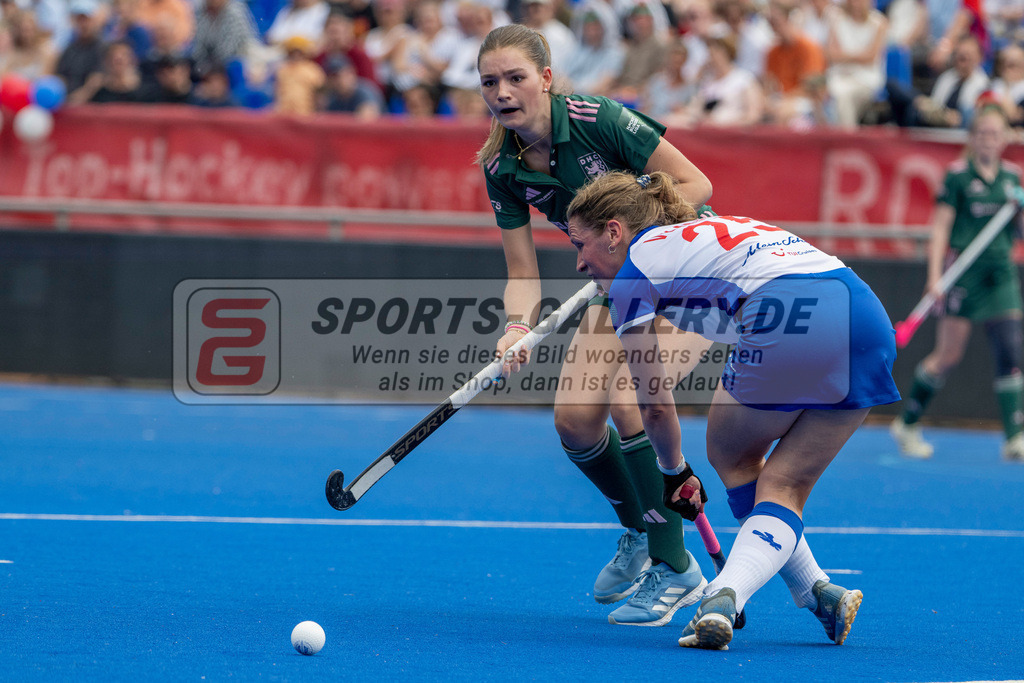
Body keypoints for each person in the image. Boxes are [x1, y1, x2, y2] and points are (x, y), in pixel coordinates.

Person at [564, 169, 900, 649]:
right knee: (783, 485)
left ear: (614, 232)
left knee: (731, 456)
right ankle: (817, 591)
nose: (580, 263)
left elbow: (653, 406)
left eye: (581, 245)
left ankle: (723, 594)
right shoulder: (696, 232)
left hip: (786, 313)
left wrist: (673, 471)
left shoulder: (632, 278)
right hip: (865, 316)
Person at [477, 24, 715, 627]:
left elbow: (698, 185)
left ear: (545, 78)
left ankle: (675, 567)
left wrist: (635, 230)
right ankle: (641, 529)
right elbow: (522, 271)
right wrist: (516, 327)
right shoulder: (501, 166)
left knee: (632, 401)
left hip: (686, 272)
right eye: (489, 82)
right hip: (617, 284)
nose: (502, 92)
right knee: (576, 422)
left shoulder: (600, 119)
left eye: (515, 78)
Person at [890, 105, 1024, 462]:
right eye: (982, 133)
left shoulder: (1012, 177)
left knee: (1011, 349)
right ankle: (907, 423)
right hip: (964, 273)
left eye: (995, 134)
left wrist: (1021, 209)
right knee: (948, 356)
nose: (989, 140)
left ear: (1005, 138)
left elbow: (1020, 232)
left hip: (1001, 273)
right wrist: (935, 277)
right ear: (972, 138)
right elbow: (941, 228)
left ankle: (1015, 438)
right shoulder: (958, 177)